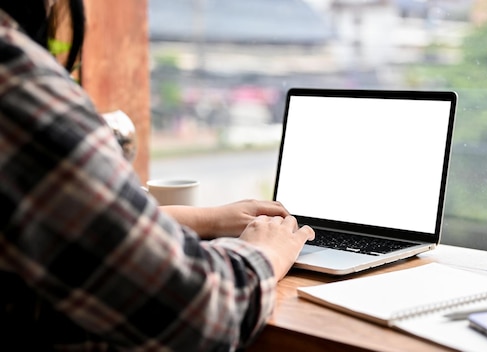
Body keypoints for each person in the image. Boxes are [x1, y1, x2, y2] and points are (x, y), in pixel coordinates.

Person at [0, 0, 314, 350]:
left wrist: (207, 219)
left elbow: (71, 222)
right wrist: (266, 254)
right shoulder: (17, 84)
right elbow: (201, 314)